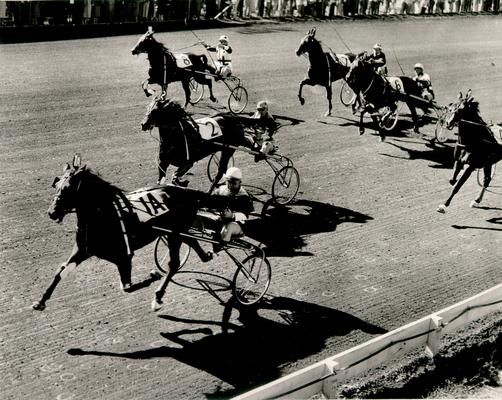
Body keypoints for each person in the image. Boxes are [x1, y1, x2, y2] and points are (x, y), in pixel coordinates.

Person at [211, 167, 253, 250]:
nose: (230, 185)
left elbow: (245, 215)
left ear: (240, 182)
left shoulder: (244, 196)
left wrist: (232, 215)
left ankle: (220, 247)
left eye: (234, 183)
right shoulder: (221, 190)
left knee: (228, 227)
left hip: (239, 225)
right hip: (221, 220)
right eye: (228, 182)